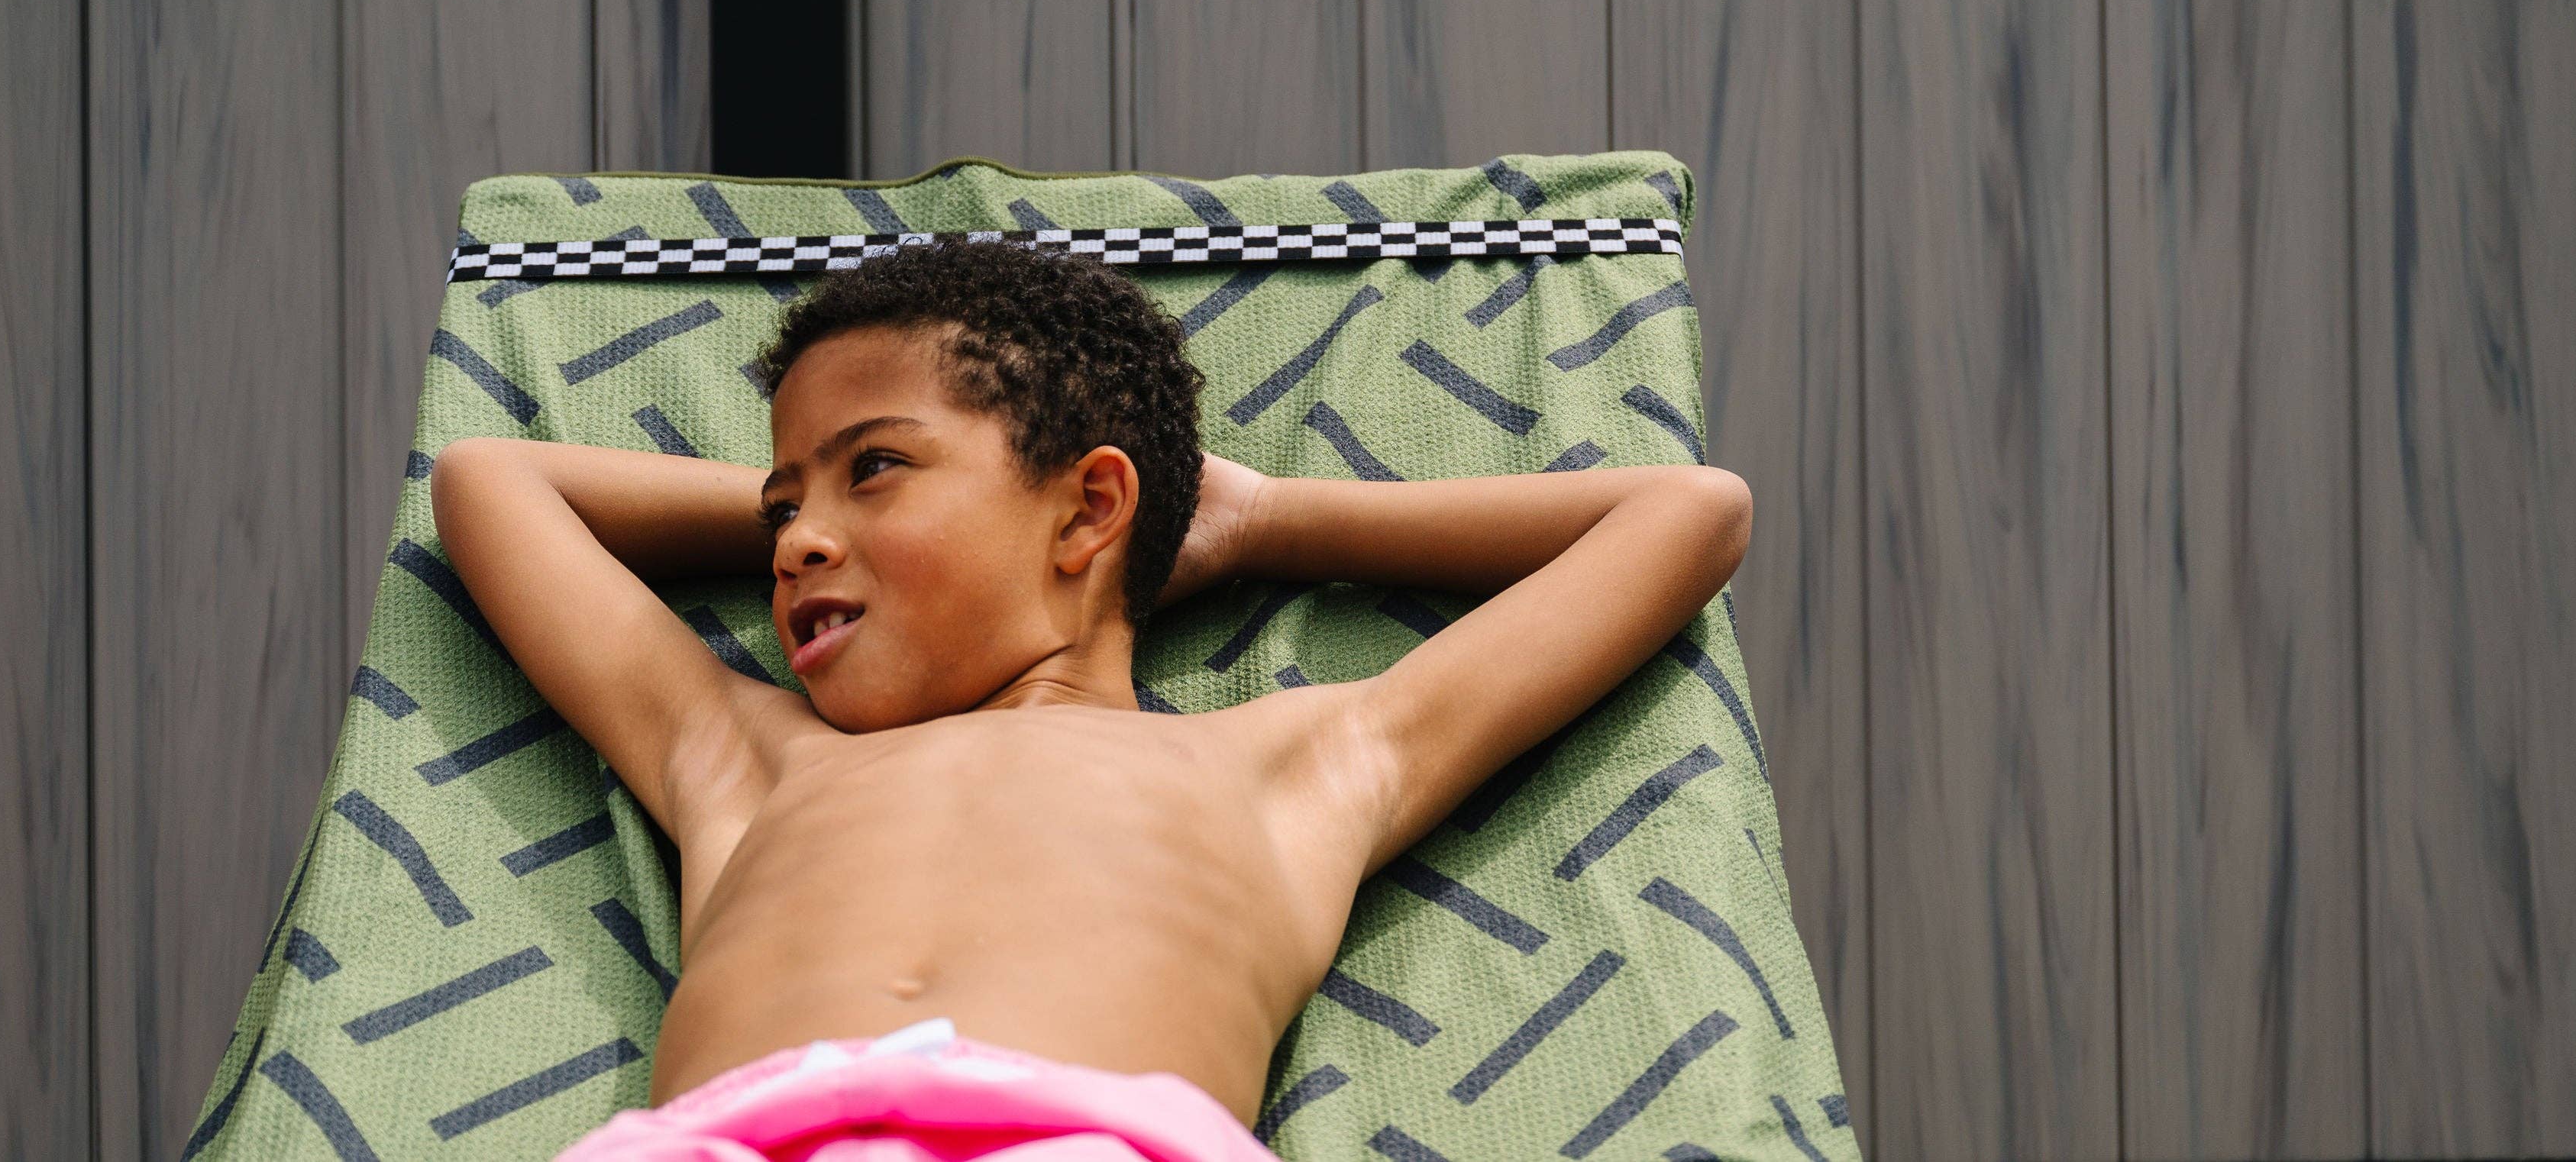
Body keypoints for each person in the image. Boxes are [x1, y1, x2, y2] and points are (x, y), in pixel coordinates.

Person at [430, 242, 1750, 1160]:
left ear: (1090, 507)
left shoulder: (1284, 764)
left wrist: (1261, 520)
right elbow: (489, 482)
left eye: (874, 467)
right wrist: (835, 502)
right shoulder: (751, 754)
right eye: (783, 510)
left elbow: (1686, 513)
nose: (793, 545)